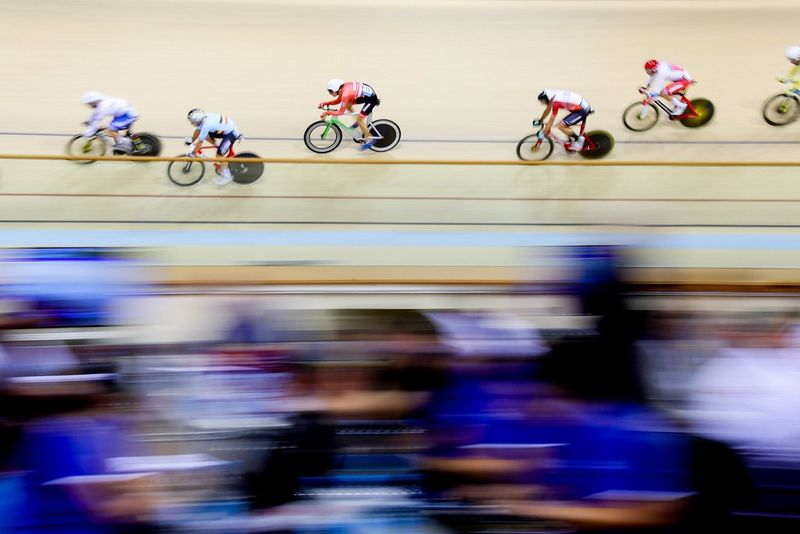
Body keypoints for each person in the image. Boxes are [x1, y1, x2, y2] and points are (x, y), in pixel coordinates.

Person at [318, 79, 380, 151]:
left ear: (336, 89)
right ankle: (358, 121)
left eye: (330, 91)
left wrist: (327, 113)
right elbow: (338, 101)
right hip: (365, 95)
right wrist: (325, 103)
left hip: (371, 99)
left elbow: (340, 112)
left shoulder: (345, 94)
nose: (330, 93)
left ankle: (370, 139)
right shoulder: (342, 89)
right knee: (347, 105)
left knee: (360, 121)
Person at [185, 109, 241, 185]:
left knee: (219, 155)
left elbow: (200, 142)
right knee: (204, 134)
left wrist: (193, 153)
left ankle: (227, 176)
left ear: (197, 120)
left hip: (231, 133)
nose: (191, 123)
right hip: (226, 127)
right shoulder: (203, 117)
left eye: (192, 122)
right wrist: (192, 140)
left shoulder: (206, 124)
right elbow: (198, 130)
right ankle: (218, 145)